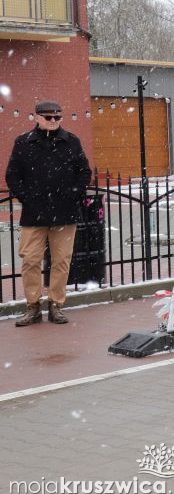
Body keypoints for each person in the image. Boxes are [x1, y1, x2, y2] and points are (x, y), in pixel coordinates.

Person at [5, 101, 92, 326]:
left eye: (57, 117)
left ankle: (56, 305)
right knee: (30, 261)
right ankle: (33, 307)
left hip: (65, 213)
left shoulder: (71, 142)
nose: (53, 121)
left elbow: (84, 172)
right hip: (34, 215)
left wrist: (73, 194)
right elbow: (13, 175)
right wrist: (26, 197)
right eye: (48, 117)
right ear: (37, 118)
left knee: (62, 261)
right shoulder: (23, 143)